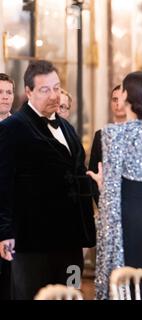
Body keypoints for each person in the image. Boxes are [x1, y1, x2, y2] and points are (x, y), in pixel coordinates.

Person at [0, 60, 96, 300]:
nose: (53, 95)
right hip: (33, 243)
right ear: (29, 92)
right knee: (33, 296)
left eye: (57, 87)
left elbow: (75, 173)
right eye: (45, 89)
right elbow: (3, 184)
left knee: (71, 293)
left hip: (72, 241)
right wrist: (4, 232)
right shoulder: (13, 127)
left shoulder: (67, 127)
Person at [88, 71, 142, 300]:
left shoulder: (113, 134)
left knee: (129, 285)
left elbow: (113, 192)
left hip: (129, 220)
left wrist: (101, 184)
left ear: (125, 95)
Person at [89, 85, 127, 204]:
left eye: (122, 100)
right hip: (107, 203)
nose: (118, 104)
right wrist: (103, 204)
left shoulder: (140, 135)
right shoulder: (100, 136)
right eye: (114, 99)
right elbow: (94, 175)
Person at [0, 73, 14, 300]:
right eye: (0, 92)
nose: (5, 97)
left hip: (14, 222)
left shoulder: (22, 128)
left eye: (9, 92)